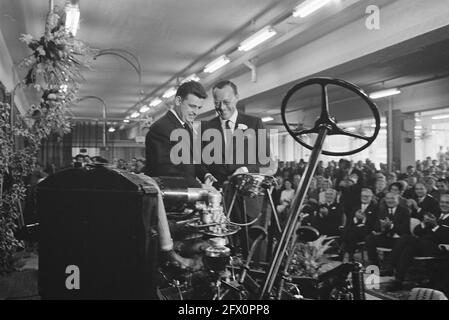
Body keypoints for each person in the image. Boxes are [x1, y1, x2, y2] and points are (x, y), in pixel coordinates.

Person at [145, 81, 216, 187]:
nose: (196, 112)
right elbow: (168, 172)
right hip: (168, 197)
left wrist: (205, 174)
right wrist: (199, 187)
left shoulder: (186, 127)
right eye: (192, 106)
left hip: (185, 195)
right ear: (178, 101)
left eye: (199, 108)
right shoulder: (161, 128)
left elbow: (193, 160)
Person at [386, 194, 449, 290]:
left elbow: (446, 239)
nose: (444, 205)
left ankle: (390, 265)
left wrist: (435, 225)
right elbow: (416, 232)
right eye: (442, 202)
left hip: (439, 248)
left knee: (405, 238)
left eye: (447, 203)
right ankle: (398, 280)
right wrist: (424, 223)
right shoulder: (435, 213)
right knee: (409, 248)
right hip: (423, 245)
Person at [365, 192, 411, 266]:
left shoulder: (404, 211)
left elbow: (405, 229)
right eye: (387, 198)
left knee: (400, 241)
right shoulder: (382, 210)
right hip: (385, 237)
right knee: (369, 238)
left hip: (398, 239)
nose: (389, 201)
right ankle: (375, 264)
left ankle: (389, 266)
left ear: (398, 200)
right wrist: (381, 228)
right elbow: (376, 226)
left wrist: (391, 226)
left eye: (392, 198)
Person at [341, 188, 378, 261]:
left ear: (371, 197)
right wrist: (356, 218)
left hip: (367, 230)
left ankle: (347, 253)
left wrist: (364, 219)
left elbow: (374, 223)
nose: (365, 198)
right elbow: (350, 221)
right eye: (363, 196)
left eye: (367, 196)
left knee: (350, 232)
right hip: (355, 230)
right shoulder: (355, 207)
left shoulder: (375, 208)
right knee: (347, 230)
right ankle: (349, 254)